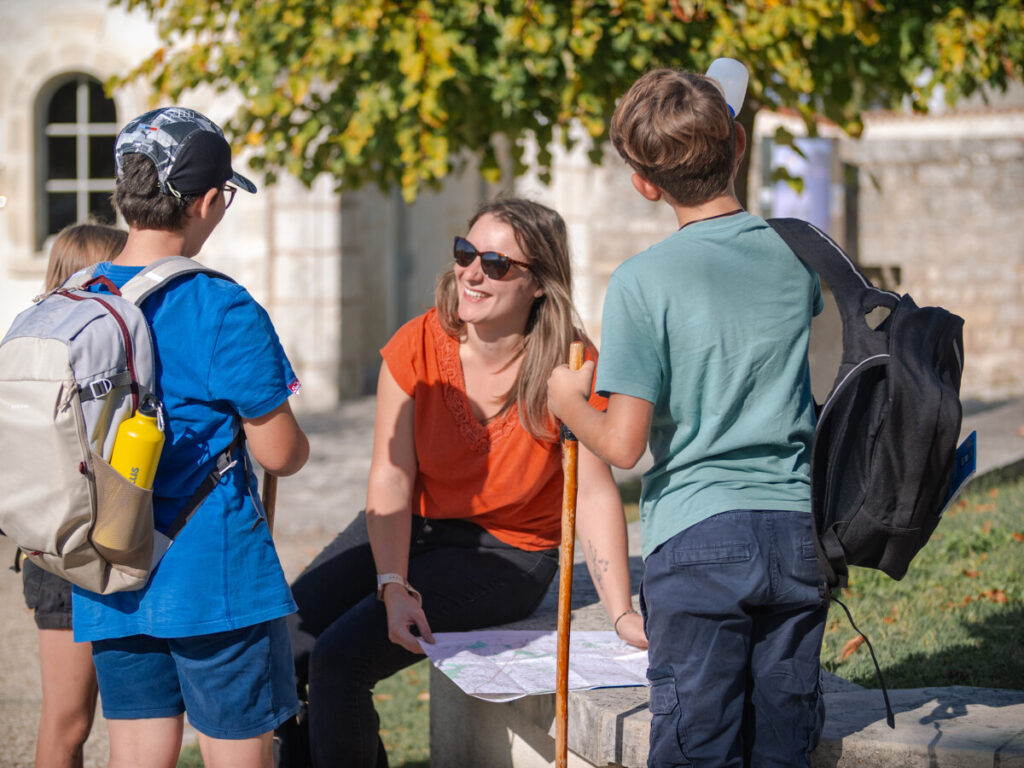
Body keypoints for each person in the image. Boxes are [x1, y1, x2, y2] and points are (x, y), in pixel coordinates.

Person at [281, 196, 646, 768]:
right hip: (418, 525)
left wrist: (621, 610)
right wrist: (393, 582)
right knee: (282, 646)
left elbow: (596, 491)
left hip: (509, 549)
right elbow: (391, 473)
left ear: (540, 284)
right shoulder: (416, 345)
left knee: (340, 657)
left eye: (497, 264)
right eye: (465, 252)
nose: (472, 273)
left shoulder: (570, 365)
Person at [547, 69, 829, 767]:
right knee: (784, 744)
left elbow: (623, 443)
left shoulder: (645, 280)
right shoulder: (798, 254)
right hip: (799, 532)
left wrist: (566, 402)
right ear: (738, 142)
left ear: (645, 183)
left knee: (697, 745)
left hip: (699, 539)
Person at [69, 107, 310, 768]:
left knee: (138, 754)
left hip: (110, 570)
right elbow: (278, 453)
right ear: (206, 201)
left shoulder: (77, 297)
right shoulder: (221, 305)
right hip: (213, 579)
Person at [18, 222, 126, 768]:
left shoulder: (28, 345)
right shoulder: (82, 353)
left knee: (75, 719)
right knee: (69, 719)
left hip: (50, 545)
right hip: (72, 551)